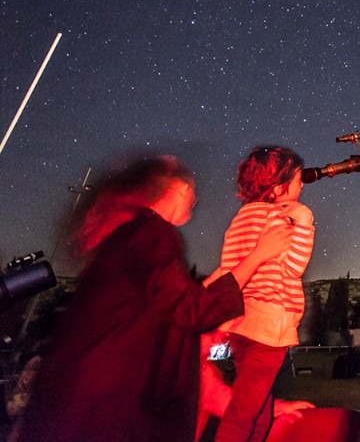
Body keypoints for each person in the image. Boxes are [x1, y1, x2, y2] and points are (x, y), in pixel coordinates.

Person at [15, 154, 292, 442]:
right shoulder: (154, 233)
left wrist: (234, 266)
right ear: (176, 189)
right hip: (114, 409)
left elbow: (171, 300)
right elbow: (192, 310)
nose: (195, 200)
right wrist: (259, 255)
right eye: (192, 191)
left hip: (85, 403)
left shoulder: (130, 237)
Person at [213, 147, 316, 442]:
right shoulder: (276, 217)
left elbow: (230, 268)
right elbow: (294, 267)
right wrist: (304, 222)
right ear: (281, 186)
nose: (302, 185)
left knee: (257, 410)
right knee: (243, 415)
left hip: (241, 322)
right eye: (298, 179)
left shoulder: (241, 218)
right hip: (267, 324)